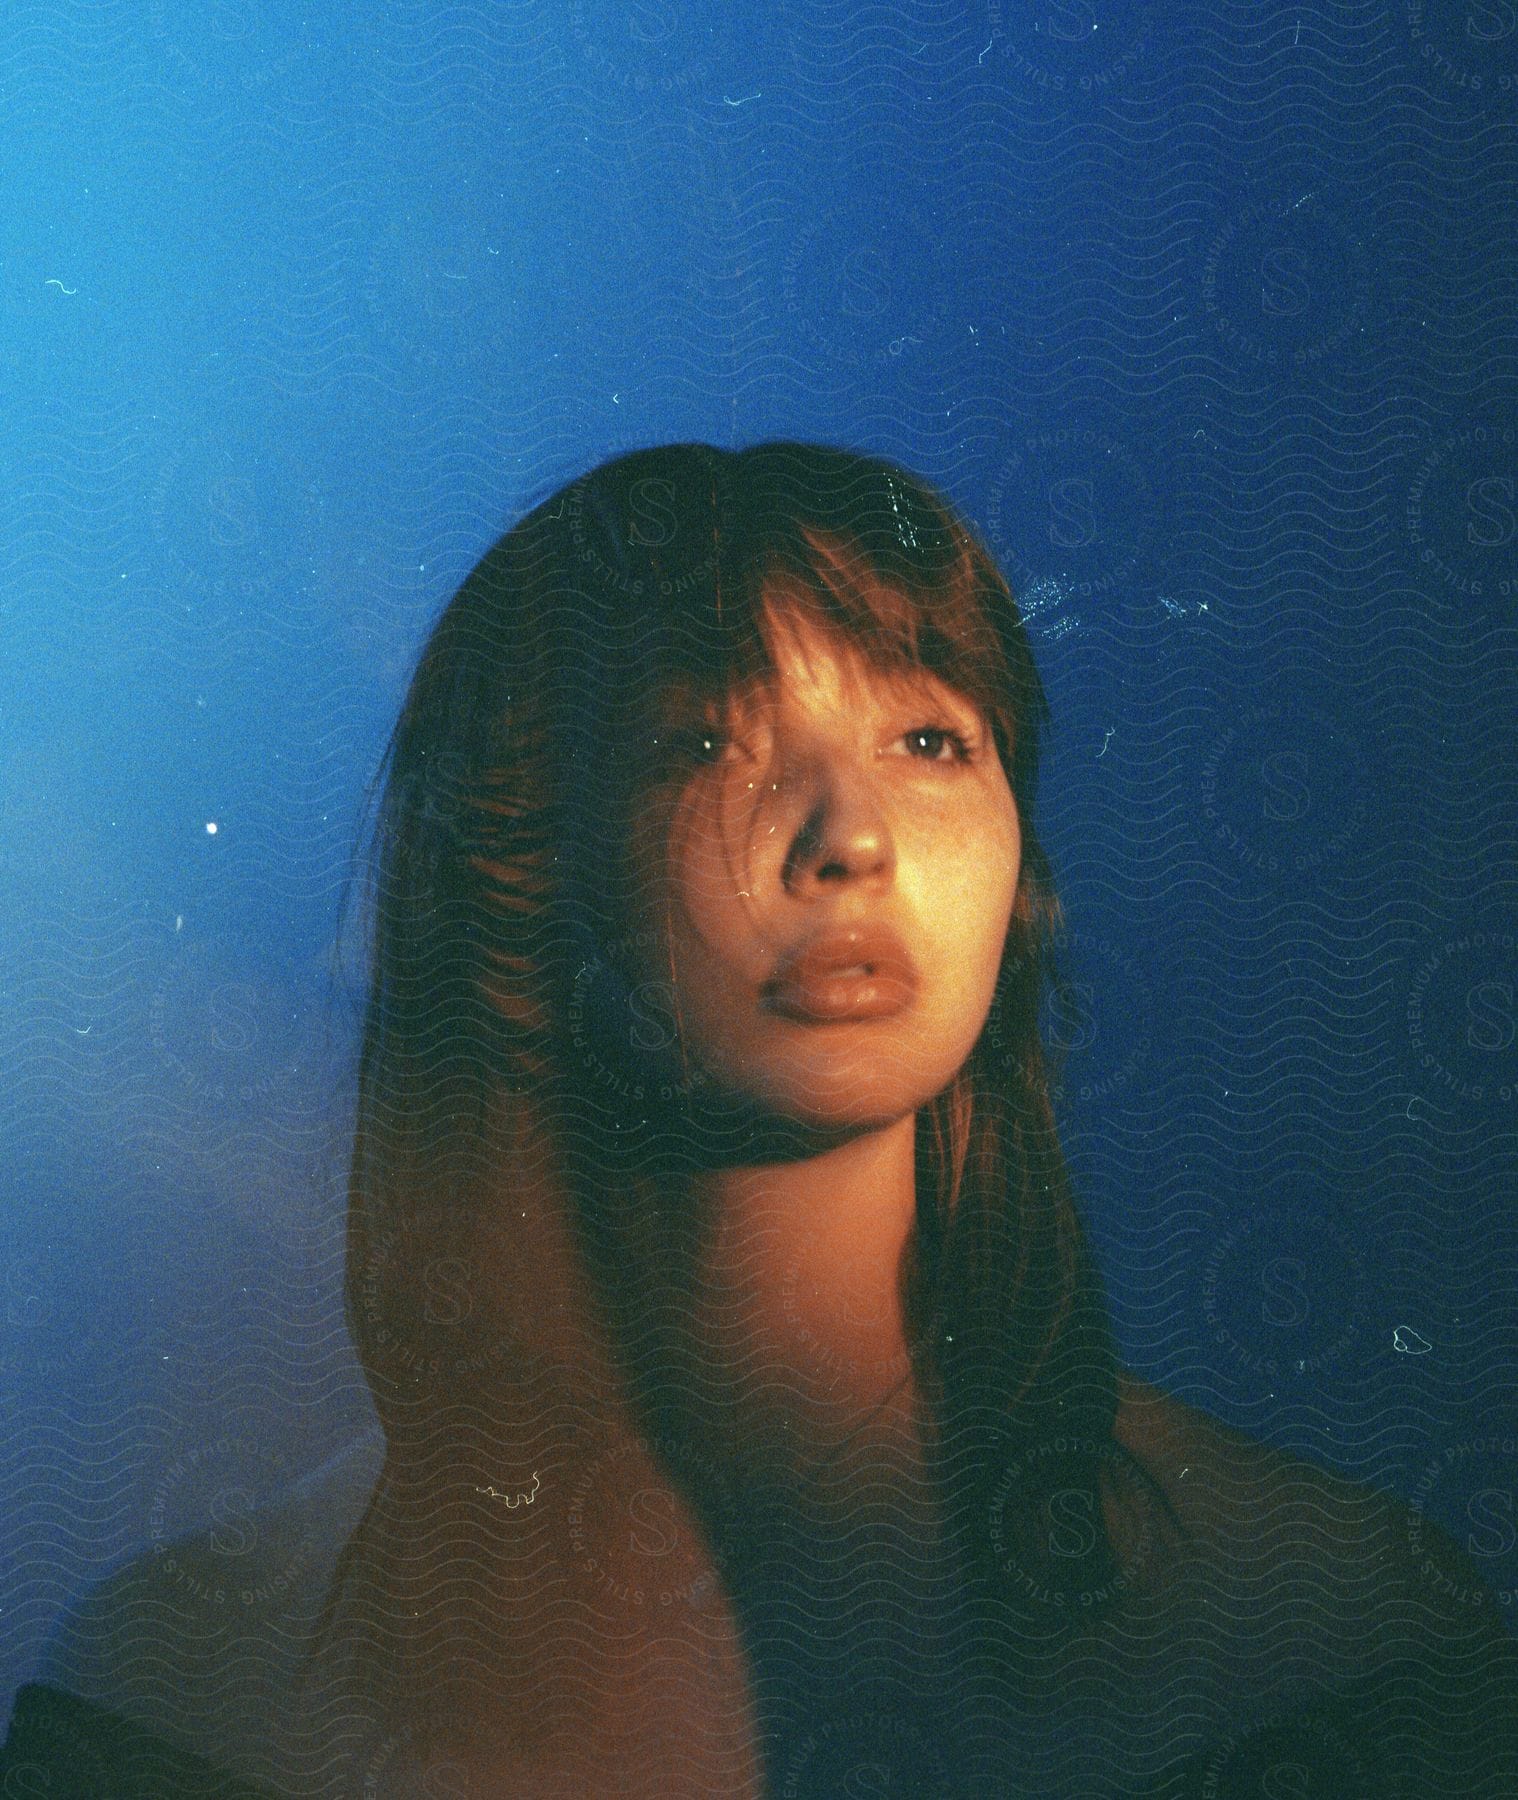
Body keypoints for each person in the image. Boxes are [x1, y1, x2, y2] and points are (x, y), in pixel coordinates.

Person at [6, 442, 1517, 1797]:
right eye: (700, 743)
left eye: (930, 740)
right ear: (519, 870)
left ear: (1024, 867)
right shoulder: (183, 1685)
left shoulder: (1330, 1622)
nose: (849, 839)